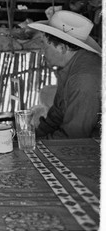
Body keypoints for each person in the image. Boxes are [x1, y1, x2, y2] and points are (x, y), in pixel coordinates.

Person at [27, 10, 101, 139]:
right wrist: (34, 138)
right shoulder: (71, 67)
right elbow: (57, 115)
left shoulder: (84, 77)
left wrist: (36, 145)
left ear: (62, 48)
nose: (41, 51)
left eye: (44, 44)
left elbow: (74, 136)